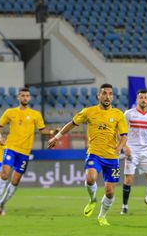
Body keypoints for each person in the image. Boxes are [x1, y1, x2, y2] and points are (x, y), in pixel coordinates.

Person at [48, 83, 128, 226]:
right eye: (104, 93)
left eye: (110, 93)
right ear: (98, 96)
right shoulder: (89, 111)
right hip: (94, 154)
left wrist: (119, 148)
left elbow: (124, 136)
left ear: (113, 97)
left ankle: (102, 216)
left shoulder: (118, 115)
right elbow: (72, 123)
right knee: (90, 178)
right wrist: (57, 137)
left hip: (112, 157)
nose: (107, 96)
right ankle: (92, 200)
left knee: (110, 192)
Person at [0, 87, 58, 215]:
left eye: (27, 96)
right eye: (22, 95)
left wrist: (51, 132)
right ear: (18, 97)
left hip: (25, 152)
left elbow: (42, 130)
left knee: (15, 181)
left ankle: (2, 204)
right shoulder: (10, 112)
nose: (25, 98)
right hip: (11, 148)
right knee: (4, 174)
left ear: (30, 98)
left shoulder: (35, 114)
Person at [121, 89, 147, 215]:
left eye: (145, 97)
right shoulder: (129, 114)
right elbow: (121, 132)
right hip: (132, 149)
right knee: (129, 179)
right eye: (141, 97)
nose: (143, 100)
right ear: (137, 100)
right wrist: (124, 146)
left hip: (145, 151)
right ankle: (124, 206)